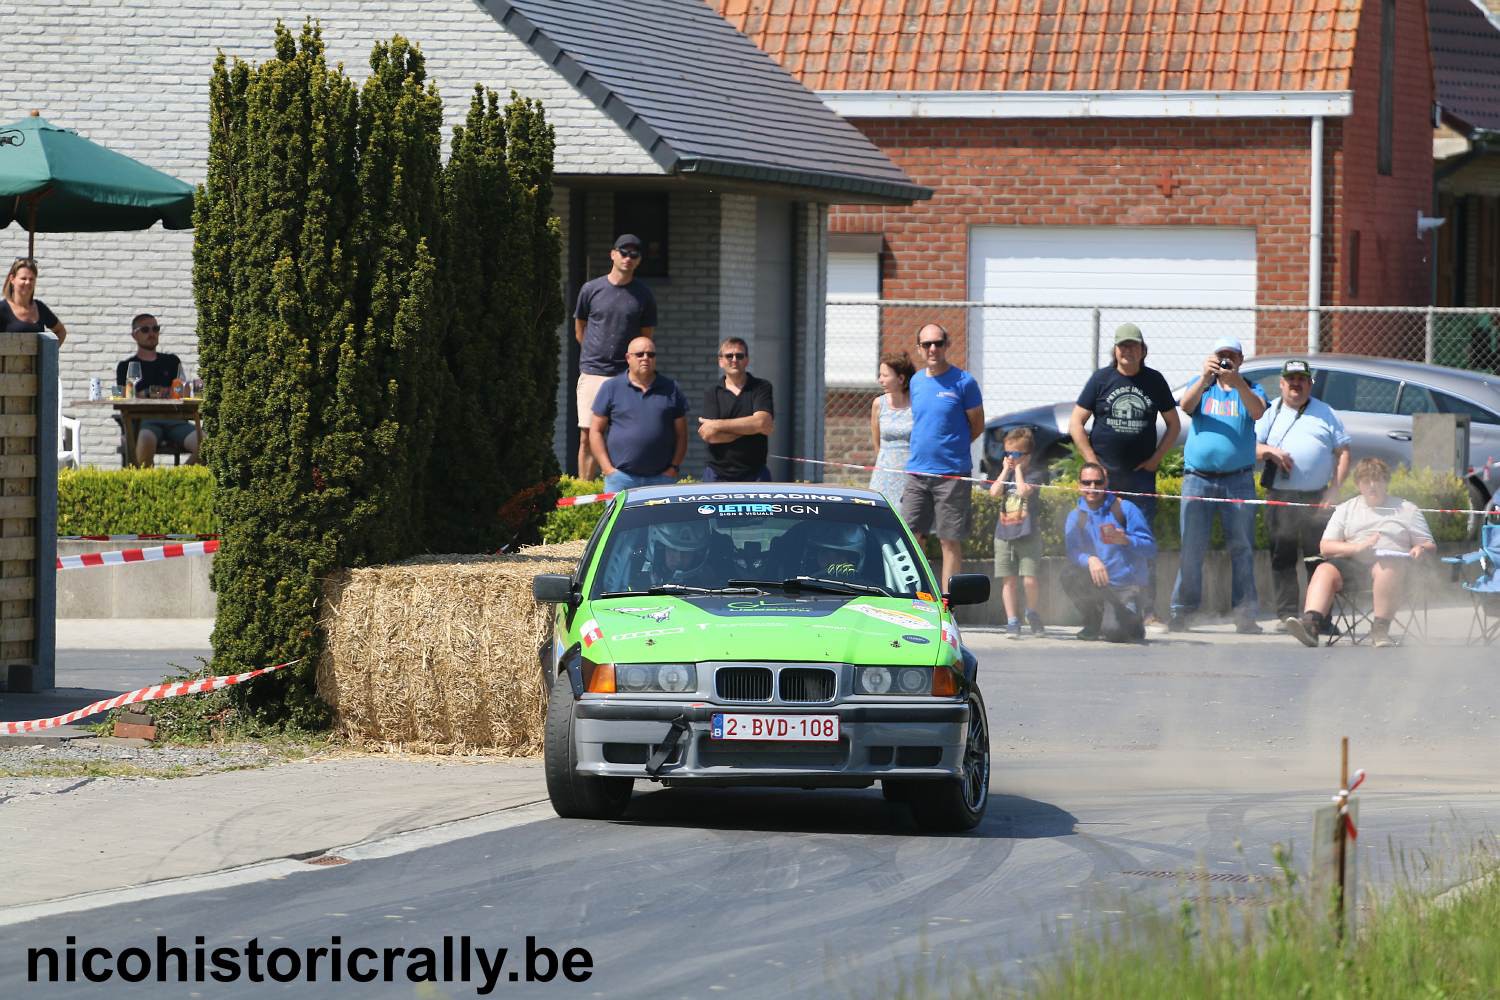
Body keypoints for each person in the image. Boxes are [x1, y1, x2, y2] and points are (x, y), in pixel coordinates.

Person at [1070, 322, 1180, 630]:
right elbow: (1076, 423)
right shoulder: (1101, 380)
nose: (1127, 351)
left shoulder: (1154, 380)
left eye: (1133, 346)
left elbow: (1173, 423)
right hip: (1105, 483)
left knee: (1141, 543)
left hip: (1140, 480)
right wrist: (1093, 463)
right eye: (1122, 346)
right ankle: (1101, 610)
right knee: (1099, 541)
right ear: (1115, 350)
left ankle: (1147, 610)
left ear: (1143, 350)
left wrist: (1157, 458)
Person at [1170, 335, 1268, 633]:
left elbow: (1258, 411)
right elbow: (1186, 406)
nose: (1226, 361)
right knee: (1192, 547)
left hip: (1237, 480)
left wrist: (1237, 382)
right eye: (1221, 355)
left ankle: (1245, 614)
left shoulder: (1250, 388)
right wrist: (1204, 376)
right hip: (1198, 479)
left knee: (1241, 547)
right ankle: (1182, 611)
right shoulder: (1202, 385)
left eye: (1232, 356)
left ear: (1240, 360)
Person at [1286, 458, 1435, 649]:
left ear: (1386, 482)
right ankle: (1311, 624)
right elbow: (1326, 546)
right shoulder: (1346, 509)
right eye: (1366, 481)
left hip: (1395, 568)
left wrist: (1420, 548)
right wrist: (1357, 548)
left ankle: (1380, 629)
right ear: (1358, 485)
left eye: (1378, 480)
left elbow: (1429, 544)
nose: (1373, 486)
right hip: (1354, 564)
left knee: (1387, 564)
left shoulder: (1407, 509)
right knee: (1324, 569)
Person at [1254, 359, 1350, 624]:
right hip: (1280, 498)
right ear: (1282, 383)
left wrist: (1334, 491)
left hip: (1316, 498)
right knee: (1282, 558)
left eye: (1301, 379)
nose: (1296, 384)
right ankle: (1287, 617)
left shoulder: (1326, 412)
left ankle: (1319, 619)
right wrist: (1270, 451)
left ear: (1309, 383)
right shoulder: (1270, 411)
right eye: (1291, 379)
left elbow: (1343, 453)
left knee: (1318, 559)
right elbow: (1252, 447)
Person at [902, 323, 984, 591]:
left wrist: (953, 448)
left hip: (951, 474)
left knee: (949, 540)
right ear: (919, 349)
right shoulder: (915, 382)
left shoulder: (964, 382)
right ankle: (915, 596)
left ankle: (948, 603)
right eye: (926, 344)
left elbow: (977, 425)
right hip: (917, 472)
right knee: (912, 538)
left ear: (947, 345)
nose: (932, 349)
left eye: (937, 343)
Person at [575, 234, 657, 480]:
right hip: (594, 372)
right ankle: (585, 492)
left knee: (627, 435)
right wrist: (593, 353)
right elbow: (580, 328)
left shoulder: (643, 295)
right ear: (613, 254)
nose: (628, 258)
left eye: (634, 254)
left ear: (639, 260)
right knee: (588, 436)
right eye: (624, 252)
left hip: (626, 376)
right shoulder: (591, 289)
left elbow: (645, 338)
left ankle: (620, 489)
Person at [1062, 463, 1156, 642]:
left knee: (1114, 633)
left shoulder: (1125, 508)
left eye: (1097, 482)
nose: (1092, 488)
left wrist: (1127, 540)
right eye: (1087, 482)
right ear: (1079, 485)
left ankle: (1132, 621)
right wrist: (1090, 560)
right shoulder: (1076, 516)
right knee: (1069, 574)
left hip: (1127, 587)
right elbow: (1072, 551)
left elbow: (1150, 548)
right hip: (1099, 584)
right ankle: (1093, 621)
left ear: (1106, 483)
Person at [589, 335, 687, 495]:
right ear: (628, 358)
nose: (645, 358)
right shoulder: (611, 388)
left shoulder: (671, 388)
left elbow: (682, 434)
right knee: (621, 521)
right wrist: (607, 469)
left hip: (661, 480)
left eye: (651, 354)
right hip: (621, 480)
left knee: (663, 521)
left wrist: (673, 468)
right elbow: (595, 431)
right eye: (640, 354)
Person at [115, 313, 200, 466]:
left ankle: (176, 483)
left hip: (175, 420)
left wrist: (146, 393)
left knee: (207, 445)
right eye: (145, 329)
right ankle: (148, 487)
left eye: (155, 328)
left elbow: (181, 391)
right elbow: (124, 396)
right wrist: (160, 392)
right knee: (145, 444)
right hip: (145, 422)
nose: (152, 333)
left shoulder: (172, 361)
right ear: (134, 335)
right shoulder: (126, 366)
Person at [988, 427, 1045, 638]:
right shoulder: (1005, 474)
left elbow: (1023, 492)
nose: (1011, 458)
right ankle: (1012, 620)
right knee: (1008, 580)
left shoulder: (1036, 474)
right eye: (1008, 454)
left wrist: (1019, 470)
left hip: (1027, 534)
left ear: (1027, 455)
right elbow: (994, 493)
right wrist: (1005, 471)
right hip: (1004, 534)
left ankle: (1032, 612)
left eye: (1016, 454)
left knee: (1029, 579)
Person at [698, 337, 774, 482]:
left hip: (755, 474)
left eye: (739, 355)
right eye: (729, 356)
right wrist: (750, 429)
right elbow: (709, 435)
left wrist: (717, 424)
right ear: (720, 361)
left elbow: (763, 423)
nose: (734, 359)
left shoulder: (761, 387)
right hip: (717, 475)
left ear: (747, 360)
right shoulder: (712, 392)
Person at [869, 351, 915, 505]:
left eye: (885, 376)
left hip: (911, 475)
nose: (880, 380)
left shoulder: (917, 406)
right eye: (880, 375)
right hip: (884, 475)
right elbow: (877, 445)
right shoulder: (878, 404)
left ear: (901, 378)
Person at [2, 257, 68, 344]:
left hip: (36, 358)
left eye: (31, 279)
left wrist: (49, 353)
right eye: (23, 278)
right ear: (12, 279)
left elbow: (60, 331)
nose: (28, 282)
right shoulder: (2, 308)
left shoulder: (40, 307)